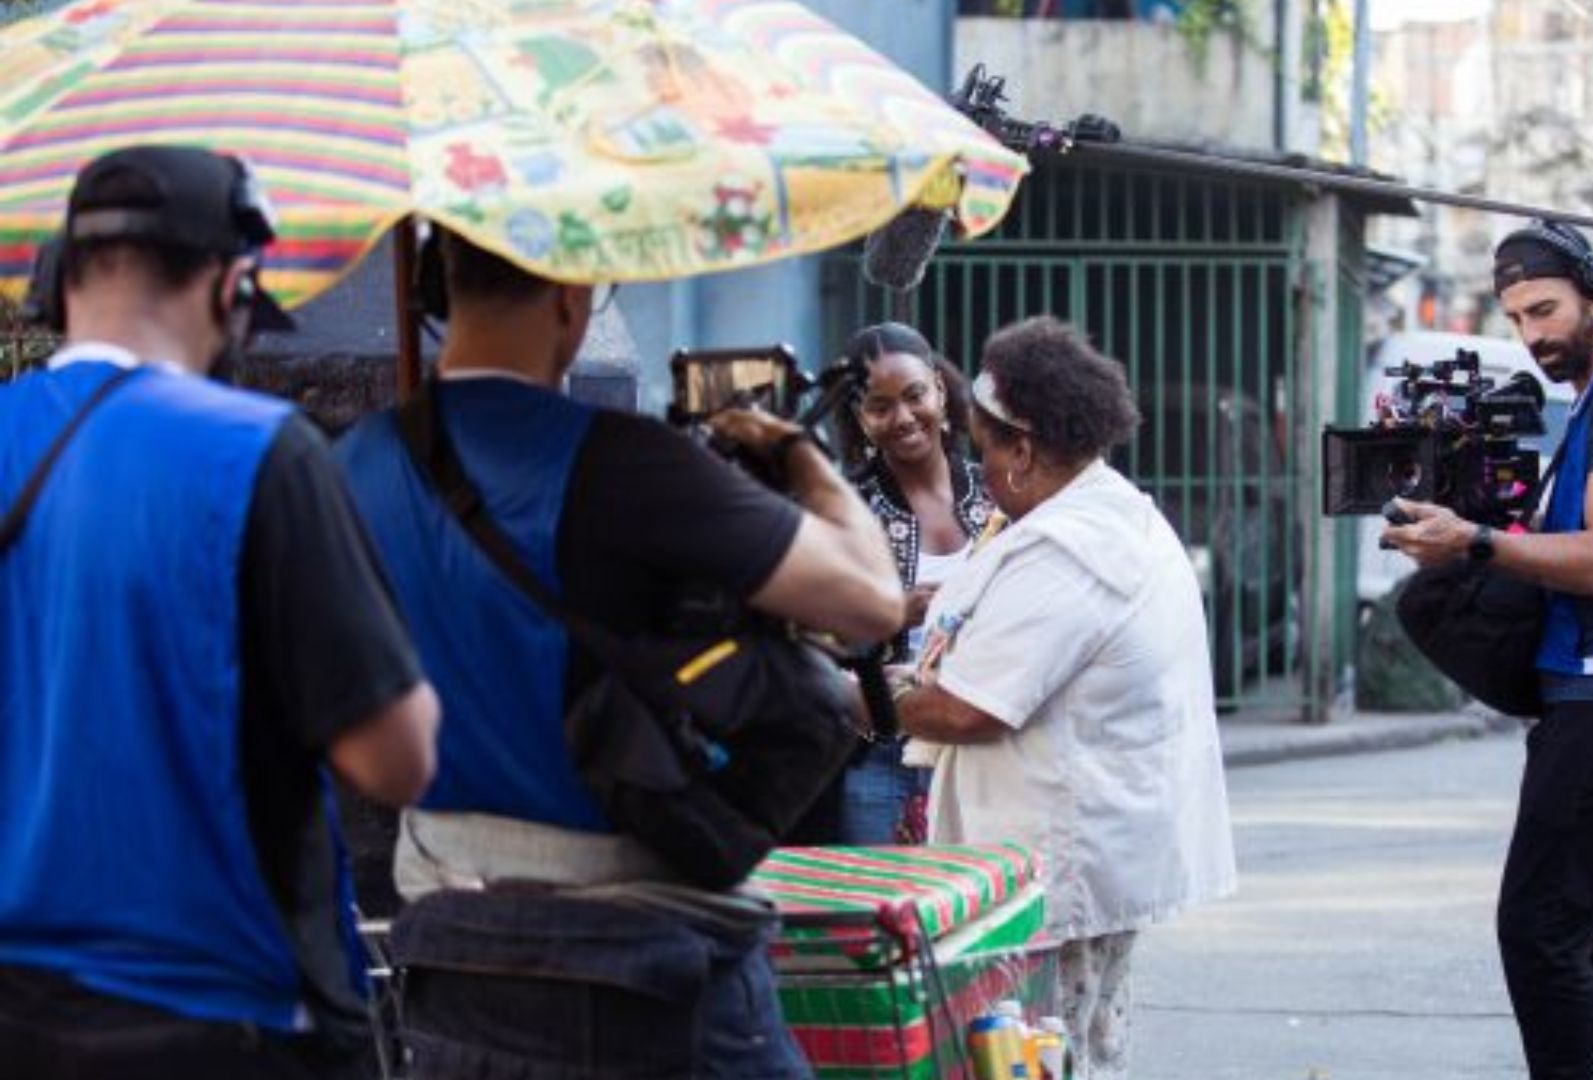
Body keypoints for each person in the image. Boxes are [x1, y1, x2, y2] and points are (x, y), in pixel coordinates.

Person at [333, 229, 903, 1078]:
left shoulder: (351, 463)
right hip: (643, 976)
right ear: (571, 299)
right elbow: (870, 598)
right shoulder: (623, 457)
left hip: (454, 966)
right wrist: (799, 457)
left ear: (434, 294)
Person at [0, 145, 440, 1079]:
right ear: (234, 286)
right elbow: (393, 759)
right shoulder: (256, 452)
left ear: (55, 282)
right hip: (229, 1012)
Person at [1385, 220, 1593, 1080]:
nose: (1532, 335)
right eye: (1517, 318)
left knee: (1538, 930)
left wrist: (1478, 544)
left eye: (1544, 309)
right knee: (1571, 922)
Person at [893, 316, 1237, 1080]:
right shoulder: (1105, 518)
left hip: (1057, 869)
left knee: (1039, 1058)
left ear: (1022, 449)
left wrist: (861, 699)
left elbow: (965, 709)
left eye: (983, 447)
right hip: (1074, 856)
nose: (978, 468)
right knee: (1076, 1053)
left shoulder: (1077, 549)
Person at [832, 321, 996, 844]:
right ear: (859, 418)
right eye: (879, 407)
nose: (902, 417)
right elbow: (810, 636)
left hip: (979, 745)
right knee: (881, 912)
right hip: (883, 754)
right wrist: (889, 615)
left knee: (977, 914)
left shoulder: (996, 493)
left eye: (914, 395)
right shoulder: (845, 505)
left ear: (941, 393)